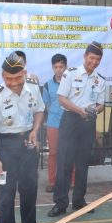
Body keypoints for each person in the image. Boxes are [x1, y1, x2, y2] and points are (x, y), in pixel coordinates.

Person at [0, 52, 45, 223]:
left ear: (24, 73)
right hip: (4, 146)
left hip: (27, 143)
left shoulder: (33, 89)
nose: (14, 83)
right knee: (7, 192)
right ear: (2, 76)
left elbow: (39, 111)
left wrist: (35, 131)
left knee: (29, 188)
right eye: (9, 79)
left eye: (18, 78)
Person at [48, 41, 106, 217]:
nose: (94, 62)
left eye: (97, 59)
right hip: (70, 120)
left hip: (88, 122)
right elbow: (61, 99)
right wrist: (79, 110)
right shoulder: (70, 74)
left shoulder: (100, 79)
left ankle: (79, 201)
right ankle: (60, 203)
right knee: (64, 162)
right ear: (85, 56)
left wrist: (94, 110)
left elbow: (101, 104)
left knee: (82, 164)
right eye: (91, 58)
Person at [43, 54, 74, 192]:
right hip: (53, 123)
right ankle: (52, 182)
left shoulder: (72, 83)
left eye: (61, 66)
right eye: (56, 67)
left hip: (70, 122)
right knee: (53, 153)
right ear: (52, 68)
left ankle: (72, 181)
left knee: (70, 152)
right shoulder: (47, 85)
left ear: (66, 67)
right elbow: (47, 105)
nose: (59, 70)